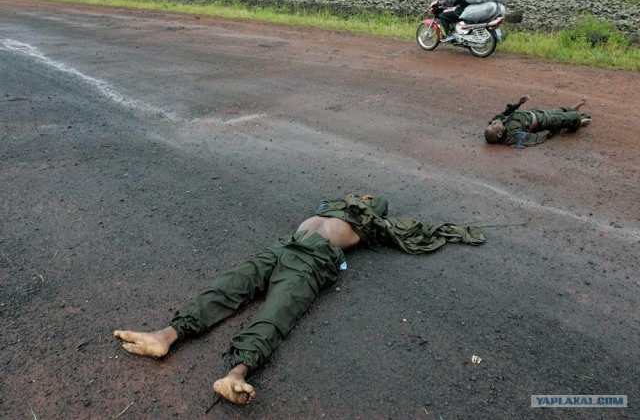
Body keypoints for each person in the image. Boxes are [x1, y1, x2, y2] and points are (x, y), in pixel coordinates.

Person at [114, 194, 485, 405]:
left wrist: (445, 230)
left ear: (375, 206)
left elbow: (411, 231)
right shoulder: (330, 205)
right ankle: (166, 335)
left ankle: (235, 374)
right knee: (228, 286)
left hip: (314, 260)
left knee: (276, 314)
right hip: (284, 246)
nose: (363, 197)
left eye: (370, 198)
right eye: (360, 194)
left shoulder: (372, 223)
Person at [484, 95, 592, 146]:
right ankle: (579, 122)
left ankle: (573, 109)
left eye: (490, 124)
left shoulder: (499, 121)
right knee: (567, 118)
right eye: (492, 126)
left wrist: (518, 103)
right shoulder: (513, 135)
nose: (492, 123)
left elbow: (506, 112)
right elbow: (532, 138)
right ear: (499, 134)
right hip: (542, 123)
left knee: (559, 111)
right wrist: (549, 132)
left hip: (536, 113)